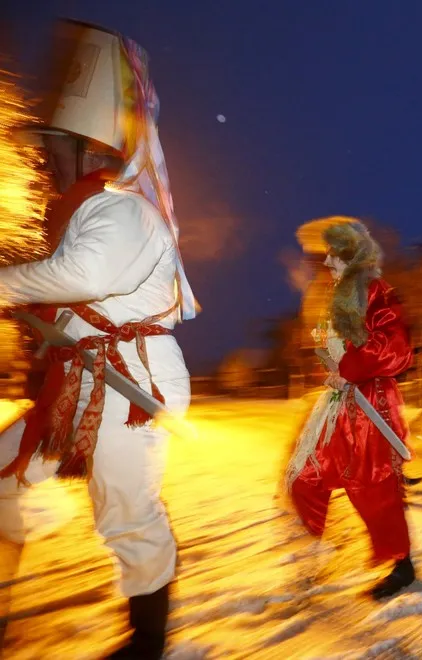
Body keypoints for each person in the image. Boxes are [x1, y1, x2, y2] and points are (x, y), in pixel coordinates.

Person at [0, 20, 197, 657]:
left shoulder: (122, 208)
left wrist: (7, 285)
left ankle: (147, 642)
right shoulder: (88, 212)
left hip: (132, 380)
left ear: (88, 148)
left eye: (55, 144)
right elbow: (74, 299)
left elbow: (85, 275)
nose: (44, 156)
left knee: (125, 510)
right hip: (84, 377)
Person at [286, 217, 417, 599]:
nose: (326, 263)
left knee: (374, 488)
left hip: (371, 402)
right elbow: (328, 343)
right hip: (339, 401)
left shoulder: (377, 290)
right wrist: (325, 359)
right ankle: (313, 541)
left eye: (332, 255)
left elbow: (397, 348)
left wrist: (349, 368)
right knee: (304, 476)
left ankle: (401, 563)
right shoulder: (332, 294)